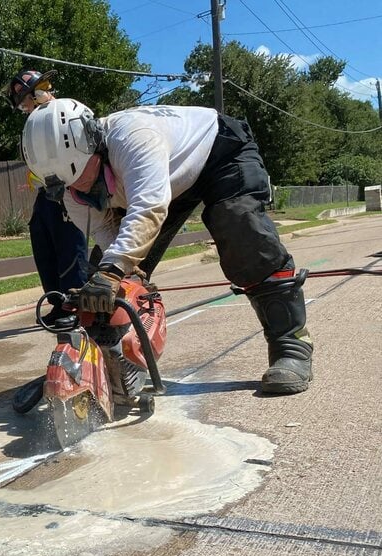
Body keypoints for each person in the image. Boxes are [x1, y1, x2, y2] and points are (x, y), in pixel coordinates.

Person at [21, 98, 313, 394]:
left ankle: (290, 344)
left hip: (218, 154)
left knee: (241, 229)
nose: (80, 188)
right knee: (101, 281)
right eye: (71, 184)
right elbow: (106, 233)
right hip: (162, 181)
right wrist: (121, 274)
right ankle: (105, 365)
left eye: (84, 175)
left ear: (94, 144)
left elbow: (148, 208)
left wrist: (116, 269)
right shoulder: (67, 187)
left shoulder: (133, 137)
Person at [2, 69, 89, 326]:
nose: (24, 109)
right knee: (43, 244)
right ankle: (57, 301)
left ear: (38, 94)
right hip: (45, 193)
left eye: (25, 102)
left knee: (68, 245)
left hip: (68, 188)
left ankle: (75, 304)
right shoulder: (37, 122)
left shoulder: (64, 113)